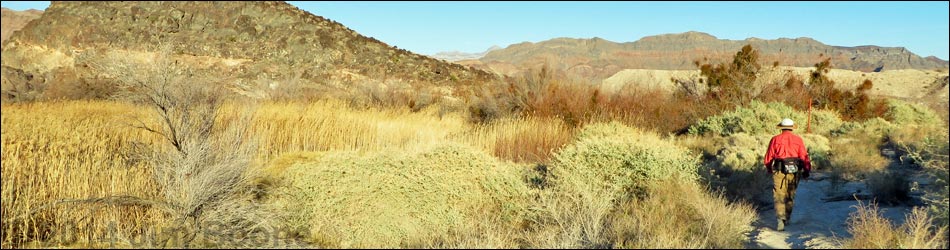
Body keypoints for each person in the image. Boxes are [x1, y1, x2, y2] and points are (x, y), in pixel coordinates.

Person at [764, 118, 811, 231]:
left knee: (779, 194)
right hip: (794, 171)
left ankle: (780, 218)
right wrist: (806, 171)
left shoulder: (775, 139)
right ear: (791, 128)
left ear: (781, 128)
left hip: (779, 170)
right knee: (790, 194)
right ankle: (787, 218)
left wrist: (769, 169)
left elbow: (768, 158)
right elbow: (804, 157)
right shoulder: (798, 140)